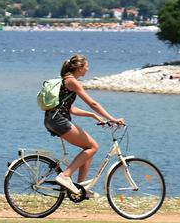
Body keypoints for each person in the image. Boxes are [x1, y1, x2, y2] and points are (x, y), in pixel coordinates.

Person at [44, 54, 124, 199]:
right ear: (80, 68)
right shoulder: (73, 82)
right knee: (93, 147)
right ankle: (65, 175)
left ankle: (80, 188)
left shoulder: (66, 80)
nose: (88, 70)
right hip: (59, 120)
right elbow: (93, 103)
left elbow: (71, 109)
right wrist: (113, 118)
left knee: (88, 148)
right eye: (86, 67)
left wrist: (92, 115)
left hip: (52, 119)